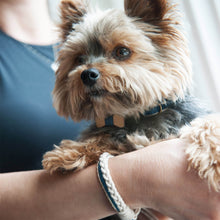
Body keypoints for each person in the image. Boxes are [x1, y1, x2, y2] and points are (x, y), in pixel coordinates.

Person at [0, 0, 219, 219]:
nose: (89, 70)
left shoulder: (201, 129)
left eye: (121, 52)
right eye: (80, 59)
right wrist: (137, 177)